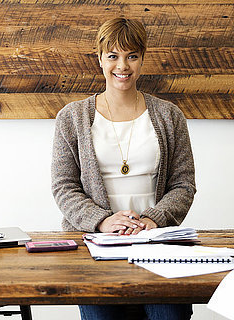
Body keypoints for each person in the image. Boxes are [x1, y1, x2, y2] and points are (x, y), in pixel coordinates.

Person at [51, 17, 196, 320]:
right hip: (96, 248)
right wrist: (102, 221)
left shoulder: (169, 116)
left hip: (157, 245)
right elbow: (64, 187)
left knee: (170, 316)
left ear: (142, 59)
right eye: (113, 56)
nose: (123, 66)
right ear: (100, 59)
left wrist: (154, 220)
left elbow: (183, 185)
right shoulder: (72, 117)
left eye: (132, 56)